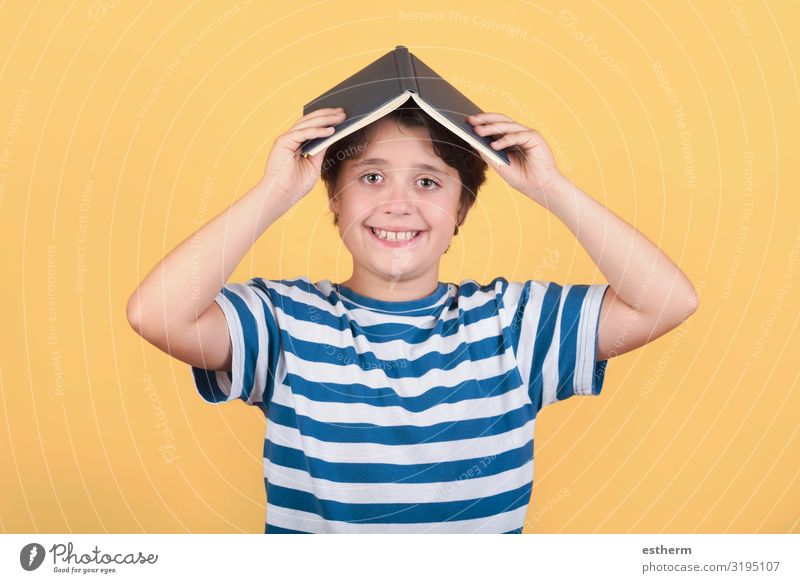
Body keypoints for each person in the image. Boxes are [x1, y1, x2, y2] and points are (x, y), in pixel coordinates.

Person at [126, 100, 698, 533]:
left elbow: (666, 300)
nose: (398, 202)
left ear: (461, 210)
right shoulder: (284, 322)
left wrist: (550, 186)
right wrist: (276, 190)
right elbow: (156, 313)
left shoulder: (513, 325)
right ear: (334, 199)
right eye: (370, 177)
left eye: (428, 181)